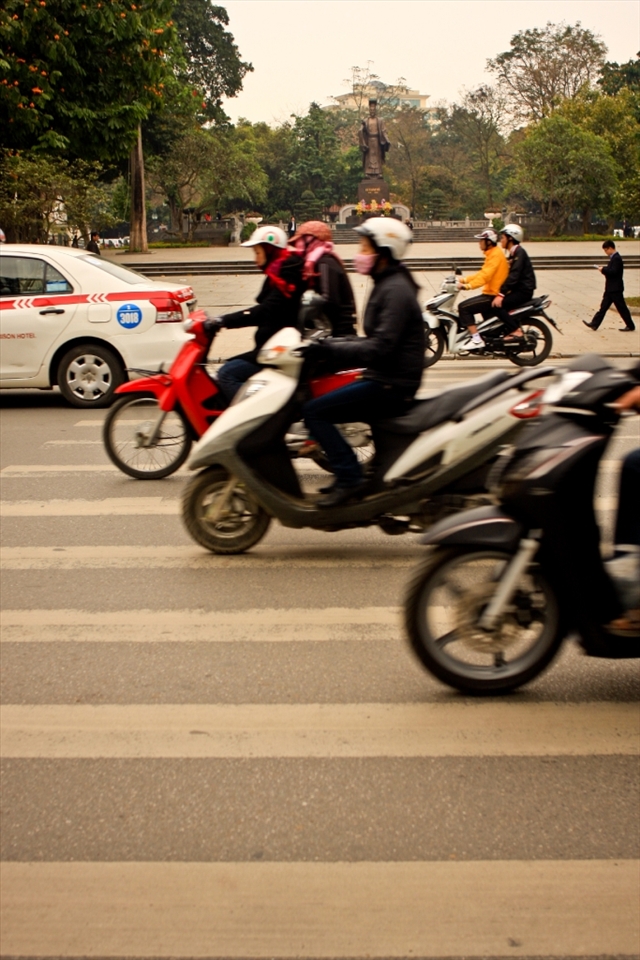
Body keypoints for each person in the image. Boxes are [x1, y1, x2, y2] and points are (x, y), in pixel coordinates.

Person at [302, 217, 424, 508]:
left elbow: (380, 347)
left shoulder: (394, 290)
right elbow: (370, 340)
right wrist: (326, 345)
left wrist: (329, 350)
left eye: (365, 247)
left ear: (384, 250)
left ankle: (349, 477)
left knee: (314, 412)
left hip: (390, 383)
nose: (360, 252)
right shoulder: (387, 282)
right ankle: (353, 473)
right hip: (384, 376)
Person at [215, 226, 304, 402]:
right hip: (270, 347)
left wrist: (222, 320)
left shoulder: (287, 274)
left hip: (278, 351)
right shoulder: (278, 273)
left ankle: (258, 416)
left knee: (226, 374)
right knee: (228, 367)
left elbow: (265, 311)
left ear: (270, 250)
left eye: (257, 252)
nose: (256, 259)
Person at [289, 220, 357, 336]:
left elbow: (329, 300)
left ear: (312, 240)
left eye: (300, 240)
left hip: (338, 335)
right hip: (326, 331)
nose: (297, 245)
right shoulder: (316, 263)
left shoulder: (325, 263)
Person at [456, 229, 509, 349]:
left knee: (463, 307)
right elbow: (482, 273)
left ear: (489, 242)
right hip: (490, 293)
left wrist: (468, 286)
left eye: (481, 240)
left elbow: (485, 276)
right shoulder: (492, 253)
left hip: (492, 295)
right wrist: (464, 280)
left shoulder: (495, 255)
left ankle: (476, 339)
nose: (479, 243)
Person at [491, 224, 536, 341]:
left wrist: (501, 294)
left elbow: (514, 276)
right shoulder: (514, 253)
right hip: (519, 289)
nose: (501, 240)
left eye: (503, 237)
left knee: (496, 306)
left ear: (510, 238)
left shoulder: (519, 253)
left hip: (523, 291)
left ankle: (515, 330)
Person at [583, 240, 635, 332]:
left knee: (622, 308)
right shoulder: (613, 258)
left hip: (615, 289)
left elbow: (614, 272)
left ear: (611, 248)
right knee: (603, 307)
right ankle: (594, 324)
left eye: (606, 250)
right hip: (610, 289)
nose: (605, 252)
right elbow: (611, 270)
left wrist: (603, 270)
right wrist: (604, 269)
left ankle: (630, 325)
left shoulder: (617, 258)